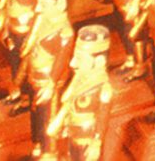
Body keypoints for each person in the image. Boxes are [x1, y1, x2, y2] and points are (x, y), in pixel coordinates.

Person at [16, 0, 75, 151]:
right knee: (36, 116)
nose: (38, 9)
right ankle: (38, 147)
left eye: (44, 4)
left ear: (61, 3)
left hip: (49, 85)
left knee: (48, 119)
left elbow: (61, 62)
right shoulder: (42, 21)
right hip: (35, 79)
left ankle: (50, 152)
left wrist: (51, 85)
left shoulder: (64, 32)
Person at [46, 25, 117, 161]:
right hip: (74, 134)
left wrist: (96, 143)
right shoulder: (78, 81)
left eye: (80, 59)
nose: (73, 63)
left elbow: (102, 118)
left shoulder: (103, 89)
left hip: (87, 140)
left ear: (98, 62)